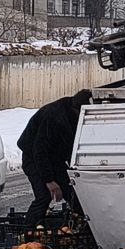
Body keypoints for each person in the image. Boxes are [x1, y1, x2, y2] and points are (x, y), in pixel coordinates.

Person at [17, 90, 92, 225]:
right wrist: (49, 181)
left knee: (73, 193)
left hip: (55, 158)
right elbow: (39, 151)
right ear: (77, 110)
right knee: (44, 197)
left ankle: (85, 226)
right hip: (33, 157)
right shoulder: (55, 117)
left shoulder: (74, 114)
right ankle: (29, 235)